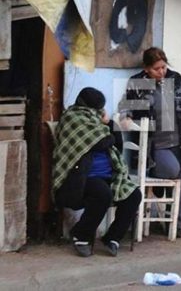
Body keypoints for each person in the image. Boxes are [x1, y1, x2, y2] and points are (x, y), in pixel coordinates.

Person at [119, 47, 181, 238]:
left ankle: (175, 225)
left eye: (163, 67)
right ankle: (169, 221)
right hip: (155, 145)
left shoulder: (176, 80)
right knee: (174, 171)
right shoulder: (138, 83)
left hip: (179, 139)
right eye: (156, 69)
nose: (161, 72)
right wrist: (127, 118)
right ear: (146, 69)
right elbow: (128, 108)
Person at [52, 87, 141, 257]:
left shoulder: (96, 120)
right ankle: (81, 235)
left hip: (108, 175)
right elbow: (101, 142)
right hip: (80, 178)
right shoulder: (73, 117)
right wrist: (108, 130)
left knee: (134, 195)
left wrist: (109, 123)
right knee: (102, 193)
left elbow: (117, 145)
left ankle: (112, 238)